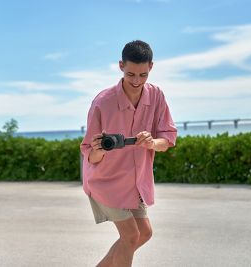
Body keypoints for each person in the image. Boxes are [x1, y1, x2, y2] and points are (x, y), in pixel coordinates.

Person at [80, 40, 177, 267]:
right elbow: (89, 154)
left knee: (144, 233)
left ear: (151, 67)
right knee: (131, 236)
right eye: (131, 74)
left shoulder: (157, 96)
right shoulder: (103, 102)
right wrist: (99, 150)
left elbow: (168, 140)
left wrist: (152, 142)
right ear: (121, 65)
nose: (136, 81)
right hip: (106, 181)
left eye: (143, 75)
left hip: (135, 183)